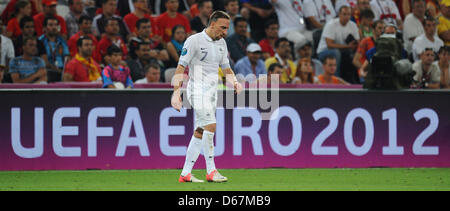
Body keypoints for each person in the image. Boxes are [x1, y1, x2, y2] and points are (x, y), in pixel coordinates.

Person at [171, 11, 242, 183]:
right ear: (212, 24)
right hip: (196, 90)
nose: (225, 32)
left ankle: (185, 173)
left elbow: (226, 68)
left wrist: (235, 81)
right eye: (222, 28)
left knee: (201, 130)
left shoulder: (222, 43)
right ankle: (211, 170)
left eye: (227, 28)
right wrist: (176, 92)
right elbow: (181, 68)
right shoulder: (194, 41)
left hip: (211, 92)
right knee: (210, 125)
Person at [316, 5, 360, 83]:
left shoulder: (353, 25)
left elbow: (357, 41)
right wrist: (348, 46)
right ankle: (336, 79)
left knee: (355, 53)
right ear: (339, 14)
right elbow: (329, 45)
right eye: (344, 14)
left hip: (344, 50)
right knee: (336, 53)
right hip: (324, 51)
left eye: (349, 14)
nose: (346, 17)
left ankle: (355, 79)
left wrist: (354, 45)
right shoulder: (331, 24)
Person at [39, 16, 70, 82]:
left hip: (62, 70)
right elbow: (44, 62)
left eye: (56, 25)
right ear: (44, 28)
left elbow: (67, 58)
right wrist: (57, 70)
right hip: (47, 70)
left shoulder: (62, 40)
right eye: (50, 25)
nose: (54, 27)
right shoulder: (40, 41)